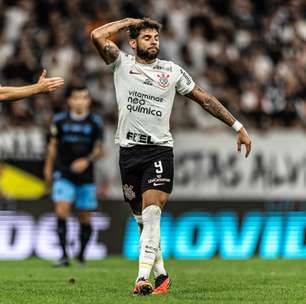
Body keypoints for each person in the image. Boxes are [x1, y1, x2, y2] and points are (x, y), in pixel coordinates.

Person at [91, 18, 252, 295]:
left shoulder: (172, 70)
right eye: (146, 37)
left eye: (156, 37)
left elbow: (204, 98)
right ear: (133, 43)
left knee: (152, 214)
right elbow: (96, 35)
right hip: (128, 153)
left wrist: (237, 126)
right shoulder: (121, 64)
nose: (153, 41)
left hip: (159, 150)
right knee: (142, 222)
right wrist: (129, 22)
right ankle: (162, 275)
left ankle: (142, 279)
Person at [44, 85, 104, 266]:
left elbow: (99, 149)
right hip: (64, 173)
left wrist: (86, 159)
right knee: (61, 210)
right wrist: (48, 169)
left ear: (88, 101)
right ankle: (63, 256)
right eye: (77, 97)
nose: (80, 101)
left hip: (86, 176)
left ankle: (81, 256)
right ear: (69, 101)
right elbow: (53, 146)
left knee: (85, 216)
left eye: (84, 97)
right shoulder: (60, 120)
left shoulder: (95, 123)